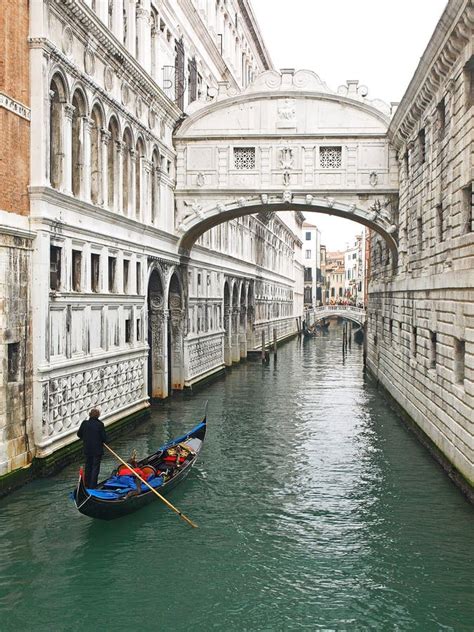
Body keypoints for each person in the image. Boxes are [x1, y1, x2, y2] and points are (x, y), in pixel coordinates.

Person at [77, 408, 107, 489]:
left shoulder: (84, 423)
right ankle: (93, 486)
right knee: (95, 468)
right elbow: (104, 438)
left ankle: (86, 484)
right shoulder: (100, 424)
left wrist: (86, 436)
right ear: (98, 416)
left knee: (88, 466)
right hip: (97, 450)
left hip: (87, 449)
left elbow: (79, 434)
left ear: (89, 415)